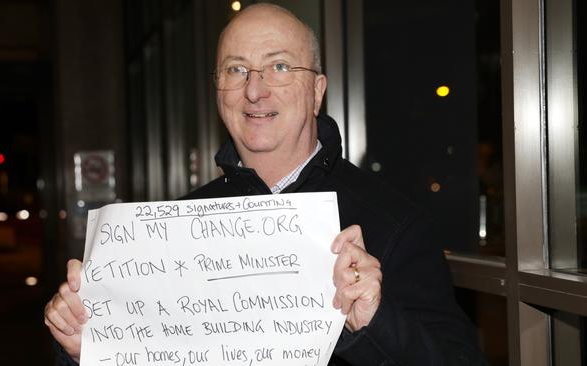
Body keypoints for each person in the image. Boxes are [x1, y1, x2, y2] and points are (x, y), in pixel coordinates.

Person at [44, 3, 486, 365]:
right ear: (219, 91)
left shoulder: (393, 226)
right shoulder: (175, 233)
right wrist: (86, 345)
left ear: (316, 91)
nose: (255, 91)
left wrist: (375, 319)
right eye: (236, 70)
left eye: (278, 66)